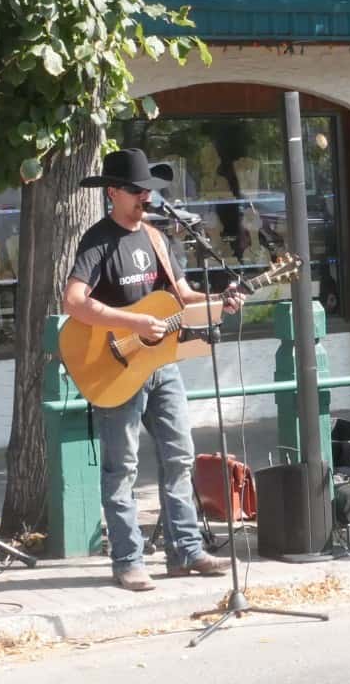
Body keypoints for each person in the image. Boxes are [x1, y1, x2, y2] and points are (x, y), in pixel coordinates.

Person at [62, 148, 245, 591]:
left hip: (162, 364)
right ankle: (128, 560)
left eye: (148, 190)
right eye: (135, 189)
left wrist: (221, 301)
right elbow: (74, 301)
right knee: (121, 467)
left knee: (179, 456)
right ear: (113, 193)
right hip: (114, 365)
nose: (145, 196)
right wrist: (133, 322)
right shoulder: (98, 240)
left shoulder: (158, 239)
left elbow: (180, 295)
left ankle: (185, 552)